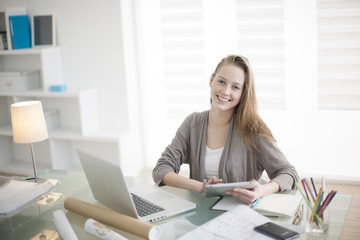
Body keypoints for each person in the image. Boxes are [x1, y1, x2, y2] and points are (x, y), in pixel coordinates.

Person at [152, 54, 299, 204]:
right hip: (201, 215)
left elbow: (289, 173)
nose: (225, 91)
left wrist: (262, 190)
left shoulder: (253, 128)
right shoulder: (192, 123)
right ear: (211, 81)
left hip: (242, 215)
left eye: (235, 87)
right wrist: (200, 187)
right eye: (221, 82)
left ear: (242, 94)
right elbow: (161, 169)